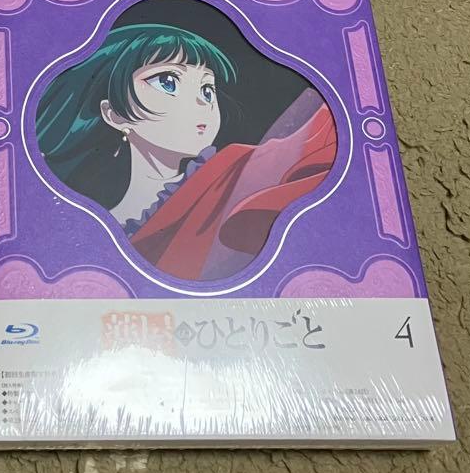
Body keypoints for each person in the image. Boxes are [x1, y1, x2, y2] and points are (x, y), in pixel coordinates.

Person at [35, 23, 336, 281]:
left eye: (207, 89)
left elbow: (313, 143)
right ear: (113, 114)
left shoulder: (240, 171)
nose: (202, 103)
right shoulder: (91, 226)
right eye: (168, 82)